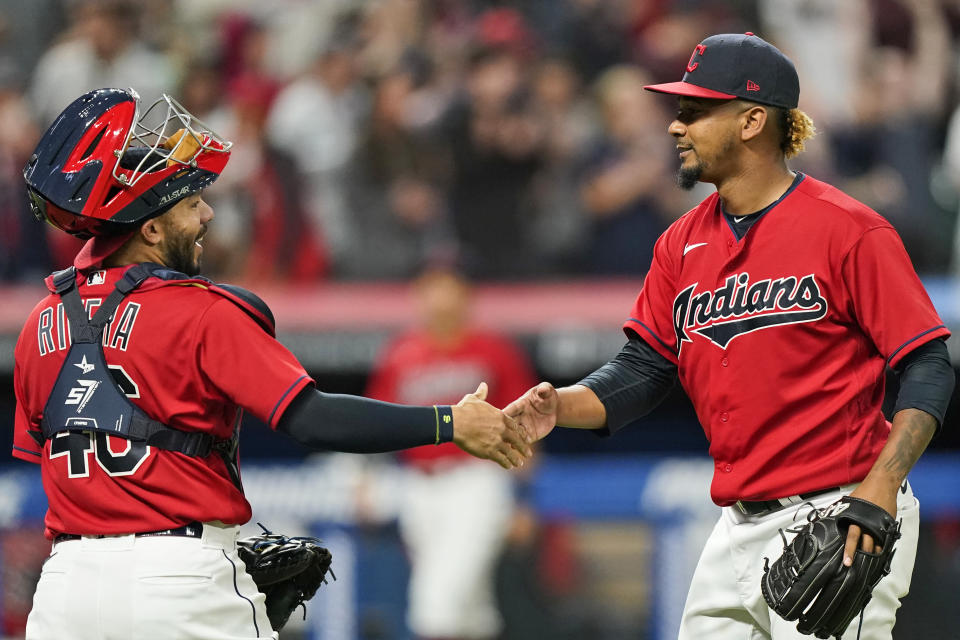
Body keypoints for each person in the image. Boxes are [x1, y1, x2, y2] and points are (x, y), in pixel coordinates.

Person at [12, 87, 531, 640]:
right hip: (176, 579)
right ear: (152, 229)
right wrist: (449, 422)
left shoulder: (38, 324)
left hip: (64, 593)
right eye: (191, 203)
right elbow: (311, 419)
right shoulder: (203, 311)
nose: (208, 212)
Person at [504, 33, 954, 639]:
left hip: (839, 511)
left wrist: (882, 486)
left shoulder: (848, 229)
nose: (675, 127)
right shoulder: (679, 243)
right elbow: (643, 370)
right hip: (734, 526)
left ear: (752, 120)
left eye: (694, 111)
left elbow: (927, 363)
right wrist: (560, 406)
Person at [366, 264, 538, 640]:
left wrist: (525, 499)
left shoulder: (494, 350)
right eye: (432, 290)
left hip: (476, 482)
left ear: (467, 298)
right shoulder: (400, 354)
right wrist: (368, 479)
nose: (440, 300)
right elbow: (376, 425)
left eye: (449, 290)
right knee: (472, 613)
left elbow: (526, 429)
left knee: (437, 606)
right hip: (418, 487)